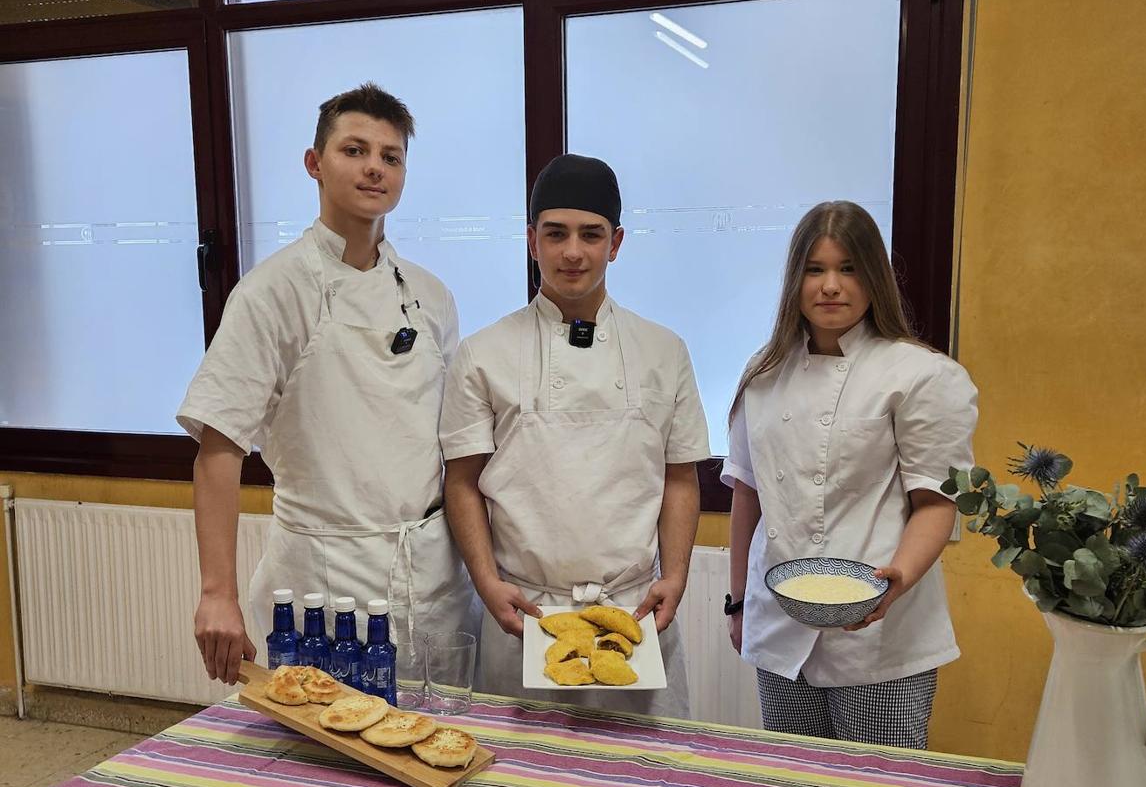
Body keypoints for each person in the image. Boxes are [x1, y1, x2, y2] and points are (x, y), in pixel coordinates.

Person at [181, 83, 480, 685]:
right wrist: (217, 591)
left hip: (429, 567)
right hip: (324, 575)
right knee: (322, 758)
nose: (374, 168)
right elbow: (219, 446)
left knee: (430, 740)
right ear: (315, 164)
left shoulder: (431, 296)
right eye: (354, 150)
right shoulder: (273, 292)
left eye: (390, 157)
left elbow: (454, 446)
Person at [439, 154, 710, 717]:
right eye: (555, 233)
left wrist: (676, 574)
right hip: (524, 610)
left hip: (633, 611)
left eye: (591, 235)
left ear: (616, 243)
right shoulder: (484, 354)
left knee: (640, 785)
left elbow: (679, 477)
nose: (573, 252)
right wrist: (487, 582)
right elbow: (461, 481)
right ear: (532, 240)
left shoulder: (663, 351)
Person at [722, 200, 978, 748]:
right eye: (815, 270)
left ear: (874, 277)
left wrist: (896, 583)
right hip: (780, 625)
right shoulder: (763, 374)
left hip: (881, 634)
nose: (830, 286)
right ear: (795, 279)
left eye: (848, 268)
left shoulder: (920, 375)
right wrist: (738, 601)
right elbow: (748, 491)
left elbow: (937, 502)